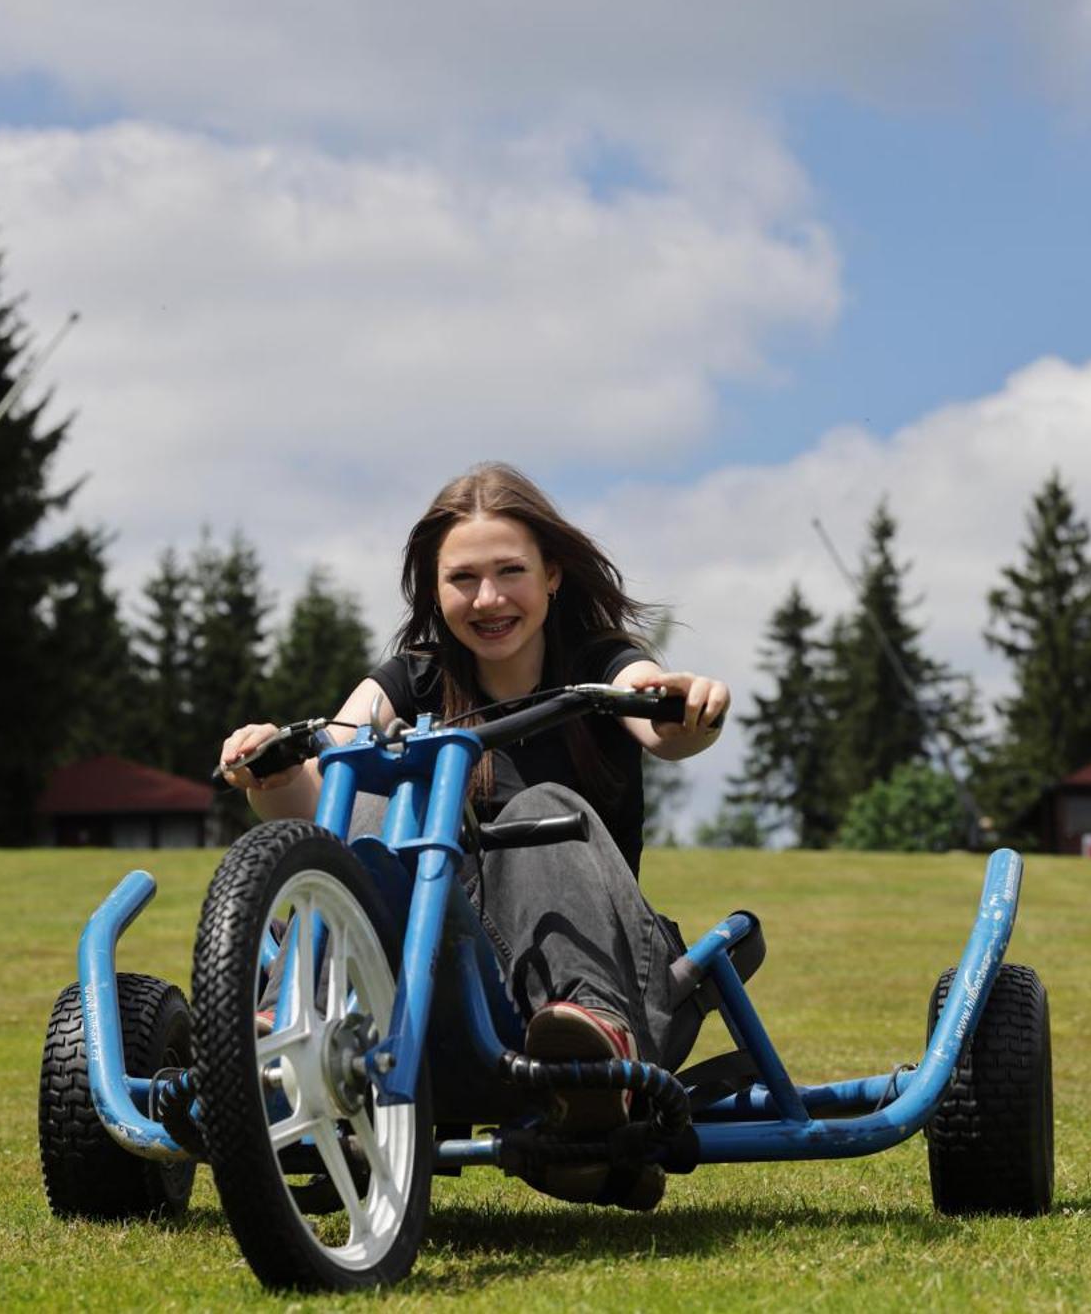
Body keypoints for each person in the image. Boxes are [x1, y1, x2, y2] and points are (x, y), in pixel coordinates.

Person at [218, 462, 729, 1208]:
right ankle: (294, 1014)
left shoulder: (596, 663)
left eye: (510, 572)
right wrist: (272, 770)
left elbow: (658, 718)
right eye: (463, 578)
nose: (488, 599)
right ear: (434, 589)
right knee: (367, 793)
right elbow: (324, 787)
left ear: (552, 574)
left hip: (592, 972)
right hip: (443, 978)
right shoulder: (413, 679)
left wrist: (689, 706)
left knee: (542, 809)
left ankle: (593, 1045)